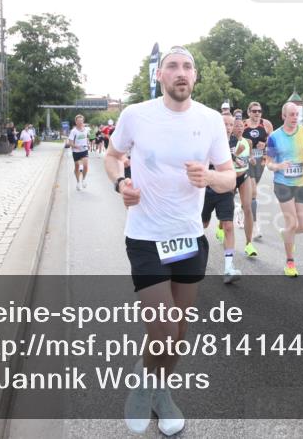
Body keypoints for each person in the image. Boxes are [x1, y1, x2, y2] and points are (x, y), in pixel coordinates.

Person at [105, 46, 234, 436]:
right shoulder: (136, 115)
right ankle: (149, 392)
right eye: (173, 67)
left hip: (189, 237)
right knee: (161, 329)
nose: (181, 72)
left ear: (195, 77)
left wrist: (209, 178)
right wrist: (120, 183)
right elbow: (111, 157)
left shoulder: (211, 120)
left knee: (178, 333)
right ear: (160, 76)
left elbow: (229, 177)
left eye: (188, 67)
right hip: (146, 236)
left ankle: (155, 385)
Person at [265, 100, 303, 276]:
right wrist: (279, 166)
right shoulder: (274, 137)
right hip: (283, 184)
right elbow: (269, 163)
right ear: (283, 116)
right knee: (292, 223)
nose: (295, 117)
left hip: (302, 183)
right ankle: (290, 262)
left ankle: (285, 233)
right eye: (292, 114)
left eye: (297, 114)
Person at [203, 113, 246, 283]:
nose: (228, 128)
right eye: (224, 124)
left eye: (230, 125)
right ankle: (191, 258)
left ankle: (228, 267)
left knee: (228, 225)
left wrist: (240, 161)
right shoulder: (208, 141)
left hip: (226, 190)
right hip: (206, 189)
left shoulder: (236, 143)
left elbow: (240, 165)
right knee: (201, 225)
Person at [242, 102, 274, 239]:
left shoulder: (266, 124)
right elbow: (235, 140)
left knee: (250, 193)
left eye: (259, 111)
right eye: (254, 111)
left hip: (260, 160)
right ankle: (255, 226)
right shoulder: (243, 125)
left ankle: (243, 208)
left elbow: (273, 141)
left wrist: (265, 144)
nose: (257, 113)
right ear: (248, 112)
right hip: (246, 160)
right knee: (254, 192)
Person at [230, 118, 258, 257]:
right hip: (230, 177)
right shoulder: (228, 142)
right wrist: (236, 154)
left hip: (244, 176)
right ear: (232, 128)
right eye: (236, 126)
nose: (239, 128)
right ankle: (221, 227)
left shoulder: (248, 142)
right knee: (227, 209)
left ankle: (249, 244)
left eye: (241, 126)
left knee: (247, 207)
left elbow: (250, 157)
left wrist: (252, 159)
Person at [66, 114, 91, 190]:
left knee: (85, 166)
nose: (80, 122)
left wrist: (88, 144)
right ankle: (78, 182)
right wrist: (76, 146)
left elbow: (87, 138)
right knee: (77, 166)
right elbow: (70, 142)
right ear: (76, 122)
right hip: (76, 152)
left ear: (83, 121)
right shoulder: (73, 131)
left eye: (81, 121)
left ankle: (83, 180)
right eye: (79, 121)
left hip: (84, 150)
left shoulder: (86, 130)